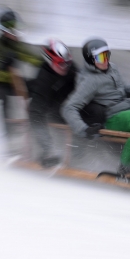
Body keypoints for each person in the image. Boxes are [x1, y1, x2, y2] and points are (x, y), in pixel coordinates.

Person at [61, 38, 130, 179]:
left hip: (128, 111)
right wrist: (83, 129)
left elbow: (120, 91)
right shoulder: (89, 81)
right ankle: (125, 167)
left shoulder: (112, 68)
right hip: (112, 119)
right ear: (90, 59)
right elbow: (69, 107)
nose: (105, 59)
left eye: (107, 54)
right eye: (100, 57)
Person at [0, 8, 42, 135]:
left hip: (11, 79)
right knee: (4, 98)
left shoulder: (16, 44)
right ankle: (8, 133)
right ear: (4, 31)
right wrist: (2, 65)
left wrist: (46, 63)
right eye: (13, 30)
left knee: (36, 87)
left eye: (17, 30)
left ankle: (37, 119)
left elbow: (30, 57)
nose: (16, 34)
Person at [28, 39, 78, 168]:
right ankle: (49, 151)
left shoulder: (70, 68)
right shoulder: (43, 80)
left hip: (71, 104)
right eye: (61, 64)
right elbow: (35, 113)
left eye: (68, 63)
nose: (66, 67)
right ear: (51, 62)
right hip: (53, 110)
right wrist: (48, 148)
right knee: (34, 114)